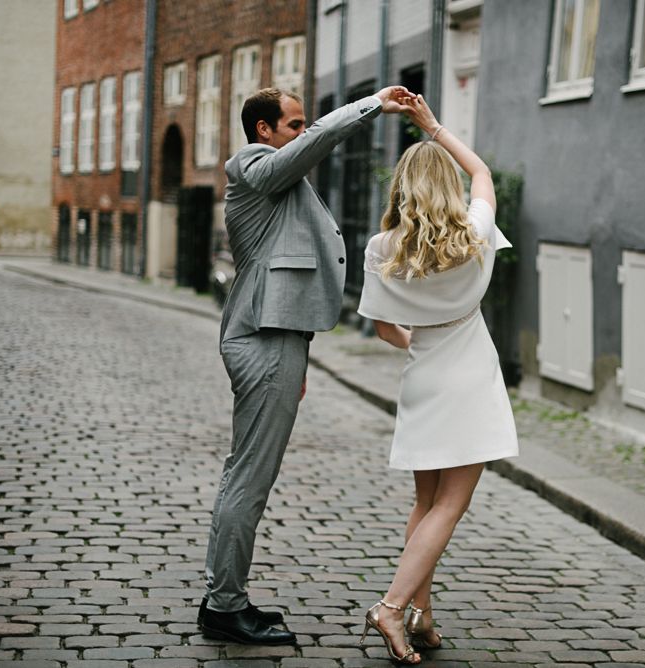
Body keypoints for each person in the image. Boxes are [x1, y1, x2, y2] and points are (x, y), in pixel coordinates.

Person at [199, 85, 415, 646]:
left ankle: (226, 598)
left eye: (301, 123)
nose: (302, 130)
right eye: (293, 124)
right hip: (262, 340)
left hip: (279, 341)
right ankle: (224, 606)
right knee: (248, 477)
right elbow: (319, 142)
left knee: (244, 473)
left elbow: (289, 278)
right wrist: (372, 105)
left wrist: (301, 360)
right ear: (263, 130)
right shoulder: (252, 166)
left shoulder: (279, 181)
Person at [356, 94, 519, 664]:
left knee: (426, 504)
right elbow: (481, 171)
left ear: (401, 189)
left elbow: (383, 329)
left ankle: (422, 617)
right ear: (445, 188)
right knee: (451, 505)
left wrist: (418, 342)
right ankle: (393, 606)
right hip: (469, 376)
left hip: (423, 376)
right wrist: (433, 126)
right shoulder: (474, 233)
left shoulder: (382, 248)